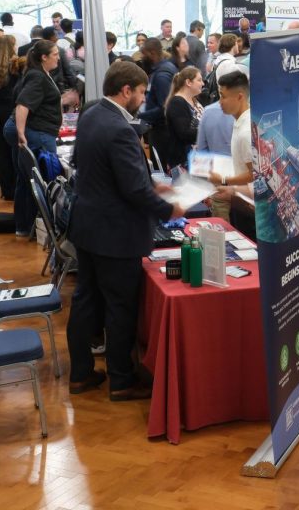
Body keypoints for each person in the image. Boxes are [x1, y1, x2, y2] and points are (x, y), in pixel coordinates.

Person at [65, 60, 183, 401]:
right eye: (143, 92)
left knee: (86, 300)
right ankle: (121, 379)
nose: (144, 100)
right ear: (126, 90)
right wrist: (168, 208)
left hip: (87, 226)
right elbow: (132, 189)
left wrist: (150, 186)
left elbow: (105, 171)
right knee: (120, 306)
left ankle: (81, 373)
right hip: (114, 233)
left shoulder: (90, 114)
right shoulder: (120, 128)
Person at [5, 41, 62, 239]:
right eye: (55, 54)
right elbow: (23, 105)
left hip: (35, 131)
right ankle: (46, 229)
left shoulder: (37, 73)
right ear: (44, 57)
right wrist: (22, 133)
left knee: (26, 178)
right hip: (38, 133)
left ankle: (24, 226)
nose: (58, 57)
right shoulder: (37, 76)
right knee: (45, 179)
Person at [208, 71, 257, 241]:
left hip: (249, 206)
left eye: (223, 96)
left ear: (240, 97)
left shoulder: (246, 131)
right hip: (242, 202)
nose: (220, 102)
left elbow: (254, 175)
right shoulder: (241, 121)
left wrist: (224, 181)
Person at [0, 35, 20, 201]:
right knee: (13, 149)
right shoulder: (14, 65)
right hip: (9, 110)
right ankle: (15, 188)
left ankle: (7, 189)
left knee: (1, 151)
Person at [138, 38, 177, 166]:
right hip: (164, 131)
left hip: (163, 133)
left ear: (152, 53)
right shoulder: (166, 68)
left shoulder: (162, 75)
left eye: (143, 54)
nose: (142, 57)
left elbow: (164, 107)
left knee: (162, 170)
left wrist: (139, 116)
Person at [195, 100, 234, 220]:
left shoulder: (208, 110)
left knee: (222, 228)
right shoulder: (249, 110)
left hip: (218, 176)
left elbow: (201, 150)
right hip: (246, 180)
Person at [162, 67, 204, 172]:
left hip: (196, 159)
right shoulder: (177, 103)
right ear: (188, 82)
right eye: (199, 80)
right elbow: (184, 133)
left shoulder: (194, 101)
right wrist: (208, 131)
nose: (202, 83)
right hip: (184, 160)